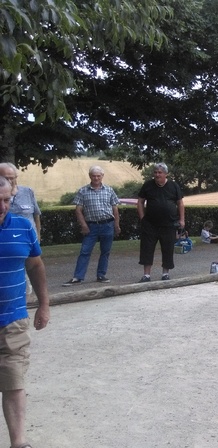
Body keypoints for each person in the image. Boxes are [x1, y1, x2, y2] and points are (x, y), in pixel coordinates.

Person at [0, 176, 50, 448]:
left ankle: (19, 443)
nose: (2, 206)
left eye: (6, 200)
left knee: (13, 380)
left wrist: (44, 304)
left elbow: (35, 267)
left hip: (13, 318)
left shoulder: (22, 226)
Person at [62, 166, 121, 286]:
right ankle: (78, 277)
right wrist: (83, 225)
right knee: (85, 251)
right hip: (91, 226)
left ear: (102, 176)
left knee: (105, 251)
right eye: (94, 175)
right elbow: (78, 210)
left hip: (107, 224)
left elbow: (115, 209)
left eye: (98, 176)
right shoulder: (83, 191)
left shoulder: (109, 190)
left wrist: (117, 225)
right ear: (90, 176)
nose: (96, 178)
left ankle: (101, 275)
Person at [137, 163, 185, 282]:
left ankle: (165, 274)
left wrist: (182, 219)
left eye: (160, 172)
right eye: (155, 172)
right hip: (150, 224)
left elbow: (180, 203)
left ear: (165, 174)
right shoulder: (148, 185)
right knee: (147, 249)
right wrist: (142, 218)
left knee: (168, 248)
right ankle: (146, 275)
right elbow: (140, 202)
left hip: (169, 224)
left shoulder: (173, 186)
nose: (157, 175)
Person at [0, 163, 41, 236]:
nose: (9, 181)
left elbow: (36, 216)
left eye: (12, 178)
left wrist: (38, 239)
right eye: (6, 178)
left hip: (29, 241)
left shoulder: (28, 192)